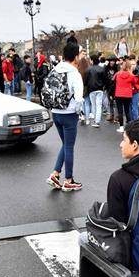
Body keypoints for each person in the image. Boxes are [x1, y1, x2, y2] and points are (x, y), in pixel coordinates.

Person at [46, 43, 84, 192]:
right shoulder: (74, 73)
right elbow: (79, 99)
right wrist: (78, 112)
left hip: (55, 113)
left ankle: (55, 174)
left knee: (65, 144)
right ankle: (68, 180)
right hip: (69, 115)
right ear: (75, 56)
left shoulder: (55, 69)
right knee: (69, 146)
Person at [113, 59, 136, 132]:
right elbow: (134, 82)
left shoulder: (118, 74)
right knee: (127, 111)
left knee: (120, 111)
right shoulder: (131, 75)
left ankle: (121, 127)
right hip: (128, 94)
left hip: (118, 94)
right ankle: (129, 126)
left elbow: (113, 80)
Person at [85, 54, 107, 128]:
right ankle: (97, 121)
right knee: (99, 105)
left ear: (92, 60)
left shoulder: (88, 69)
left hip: (91, 89)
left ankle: (95, 120)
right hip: (100, 89)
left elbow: (86, 80)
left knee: (93, 105)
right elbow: (105, 79)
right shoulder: (101, 69)